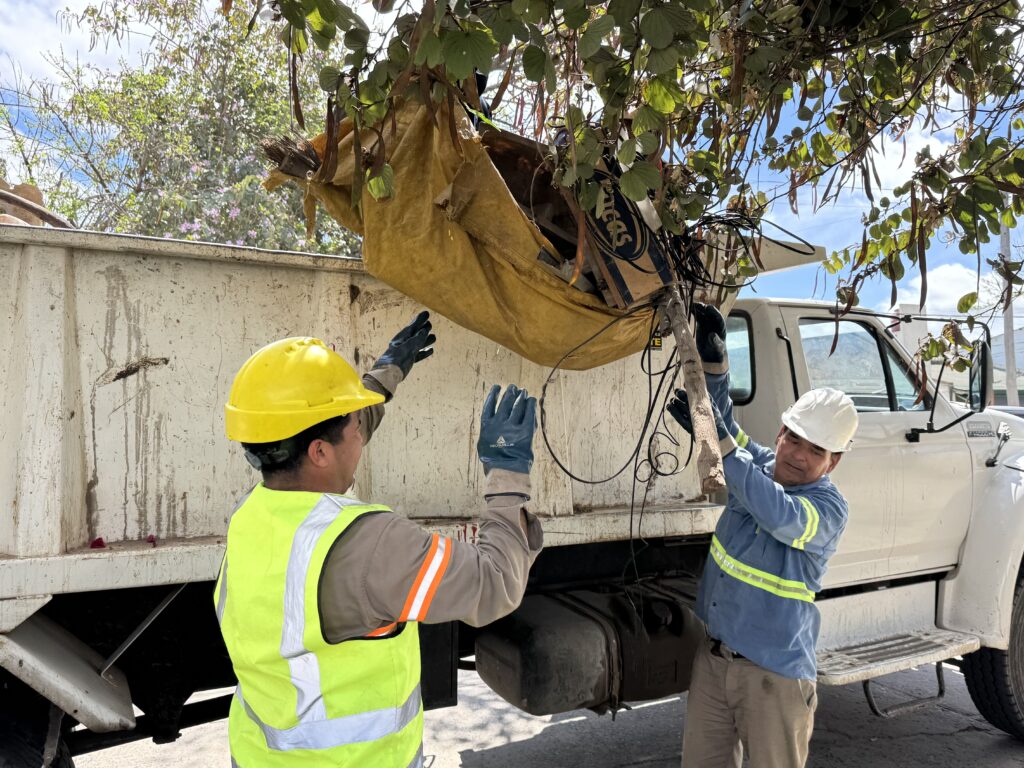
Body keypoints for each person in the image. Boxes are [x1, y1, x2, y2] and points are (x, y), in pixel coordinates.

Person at [214, 311, 543, 768]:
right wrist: (508, 474)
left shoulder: (252, 518)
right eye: (354, 426)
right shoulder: (369, 544)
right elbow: (495, 584)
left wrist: (384, 376)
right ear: (320, 452)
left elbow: (326, 427)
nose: (362, 434)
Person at [667, 304, 859, 768]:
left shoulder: (828, 509)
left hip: (773, 674)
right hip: (715, 662)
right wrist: (716, 366)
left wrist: (712, 440)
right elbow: (728, 430)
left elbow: (777, 511)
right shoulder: (759, 463)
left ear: (833, 462)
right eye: (793, 438)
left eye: (816, 450)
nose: (797, 455)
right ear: (780, 431)